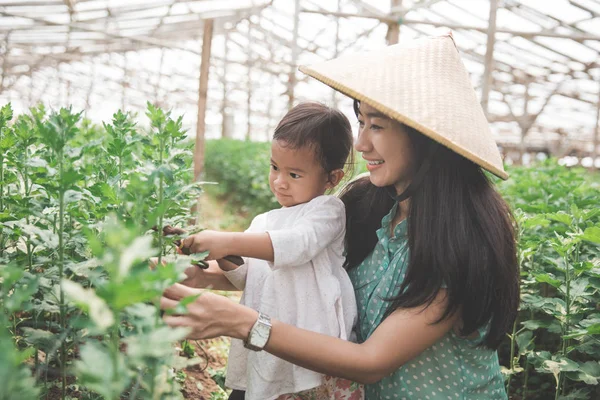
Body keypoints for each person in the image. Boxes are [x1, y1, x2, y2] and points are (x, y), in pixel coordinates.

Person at [162, 33, 520, 399]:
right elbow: (305, 273)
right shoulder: (370, 203)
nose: (361, 143)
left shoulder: (461, 243)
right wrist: (199, 277)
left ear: (426, 136)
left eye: (376, 126)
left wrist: (241, 321)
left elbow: (370, 362)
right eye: (361, 122)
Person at [179, 102, 363, 400]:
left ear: (332, 178)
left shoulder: (327, 210)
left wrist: (227, 240)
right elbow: (246, 278)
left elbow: (299, 244)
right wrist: (222, 255)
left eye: (295, 174)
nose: (279, 181)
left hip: (310, 348)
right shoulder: (264, 221)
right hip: (267, 344)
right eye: (275, 167)